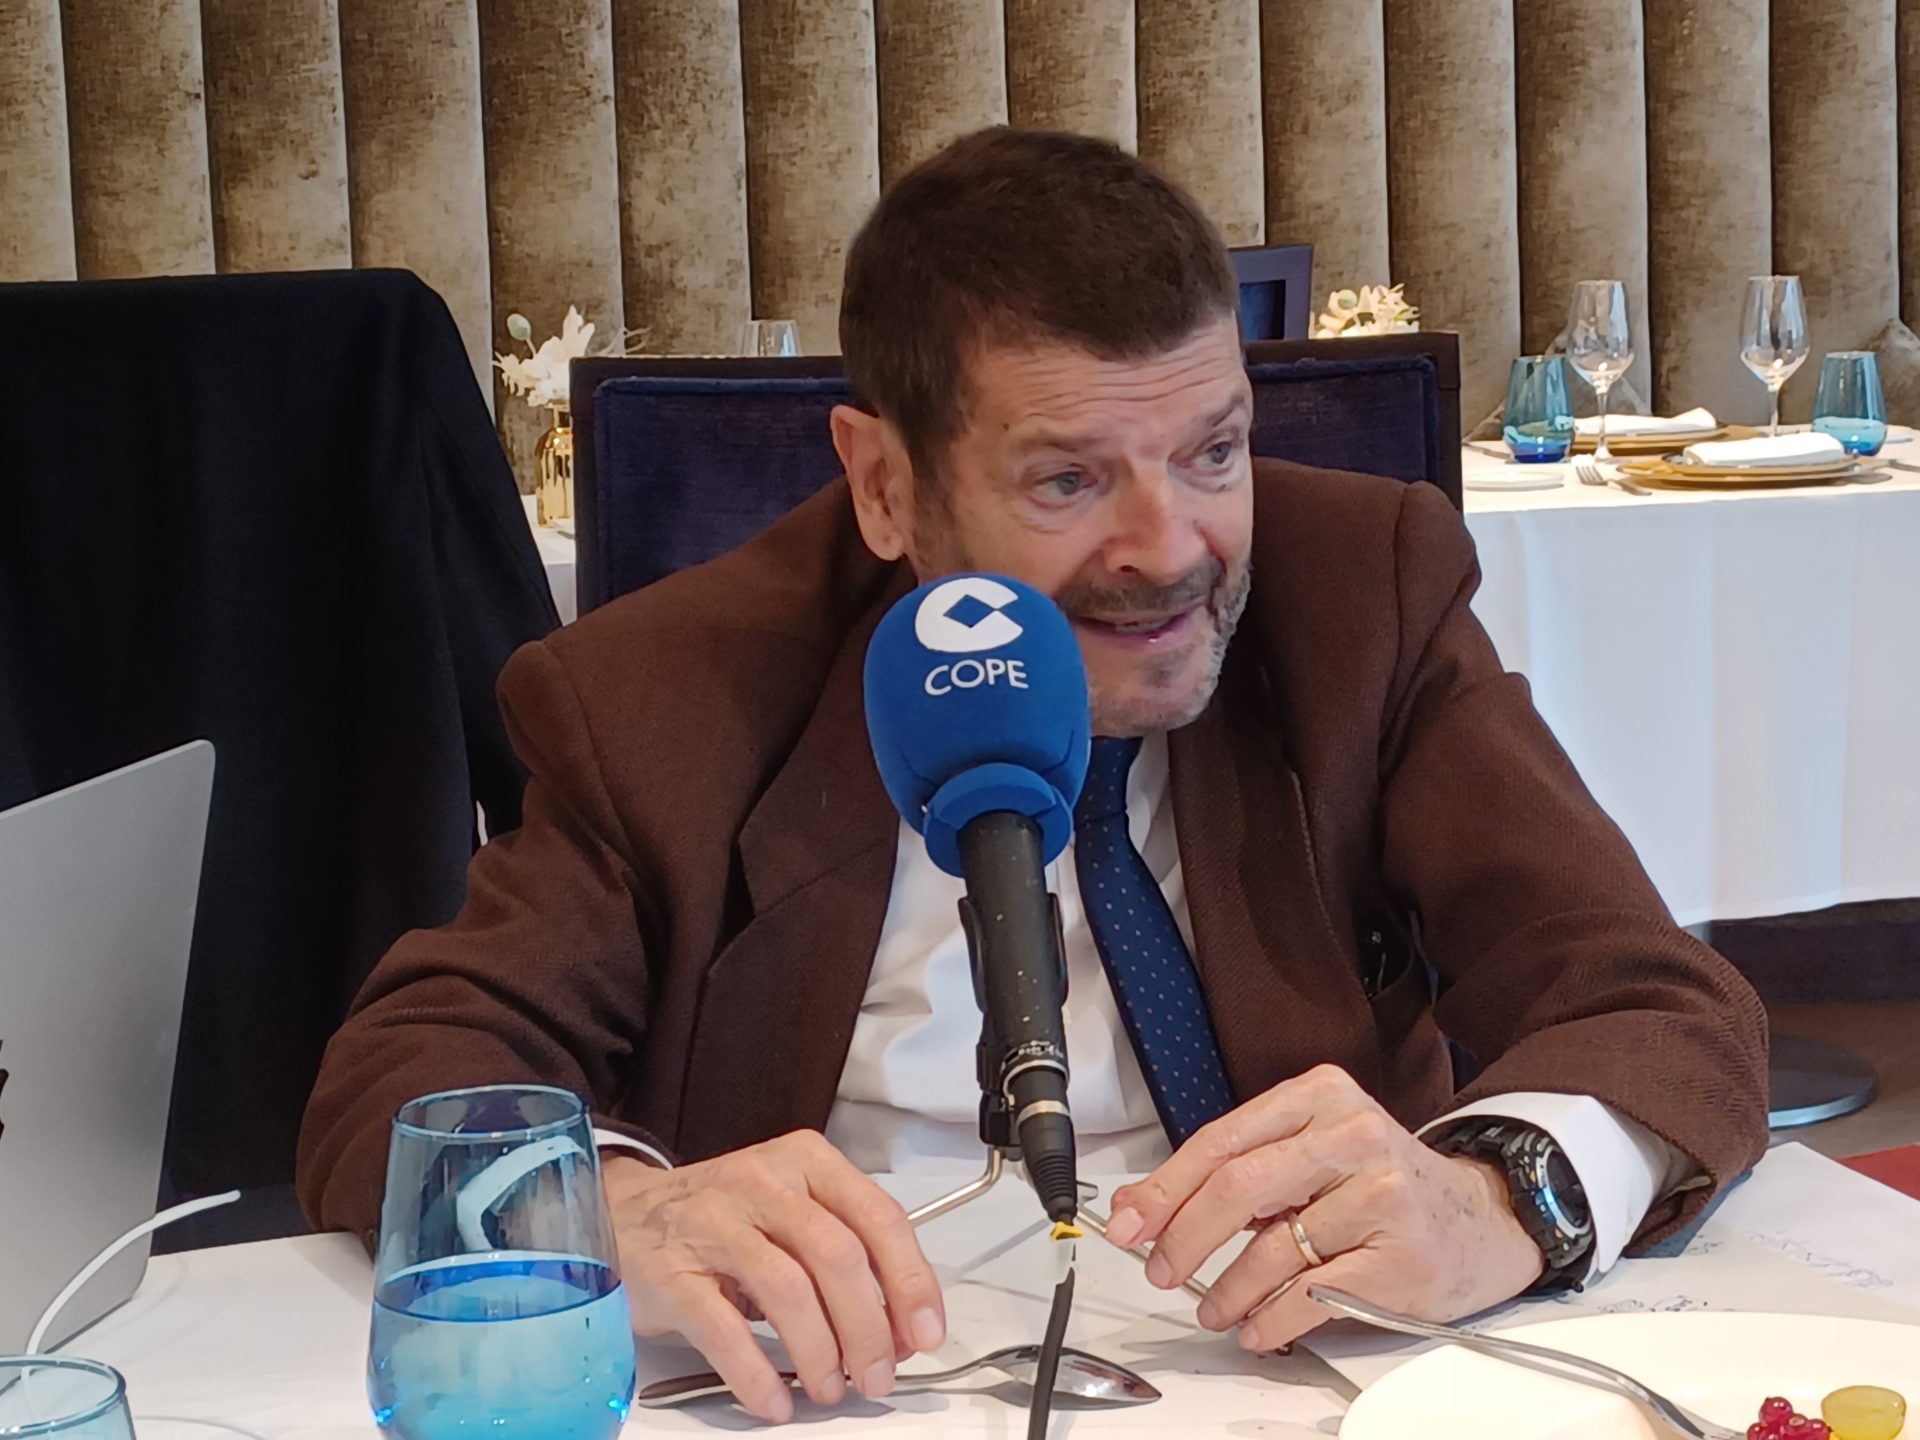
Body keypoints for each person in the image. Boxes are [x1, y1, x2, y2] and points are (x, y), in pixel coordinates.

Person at [299, 128, 1768, 1423]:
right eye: (1068, 479)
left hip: (1301, 1377)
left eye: (1214, 452)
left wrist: (1498, 1196)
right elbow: (411, 1070)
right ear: (885, 487)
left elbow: (1654, 1005)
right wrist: (623, 1210)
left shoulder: (1357, 592)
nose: (1172, 550)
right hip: (852, 1394)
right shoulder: (661, 693)